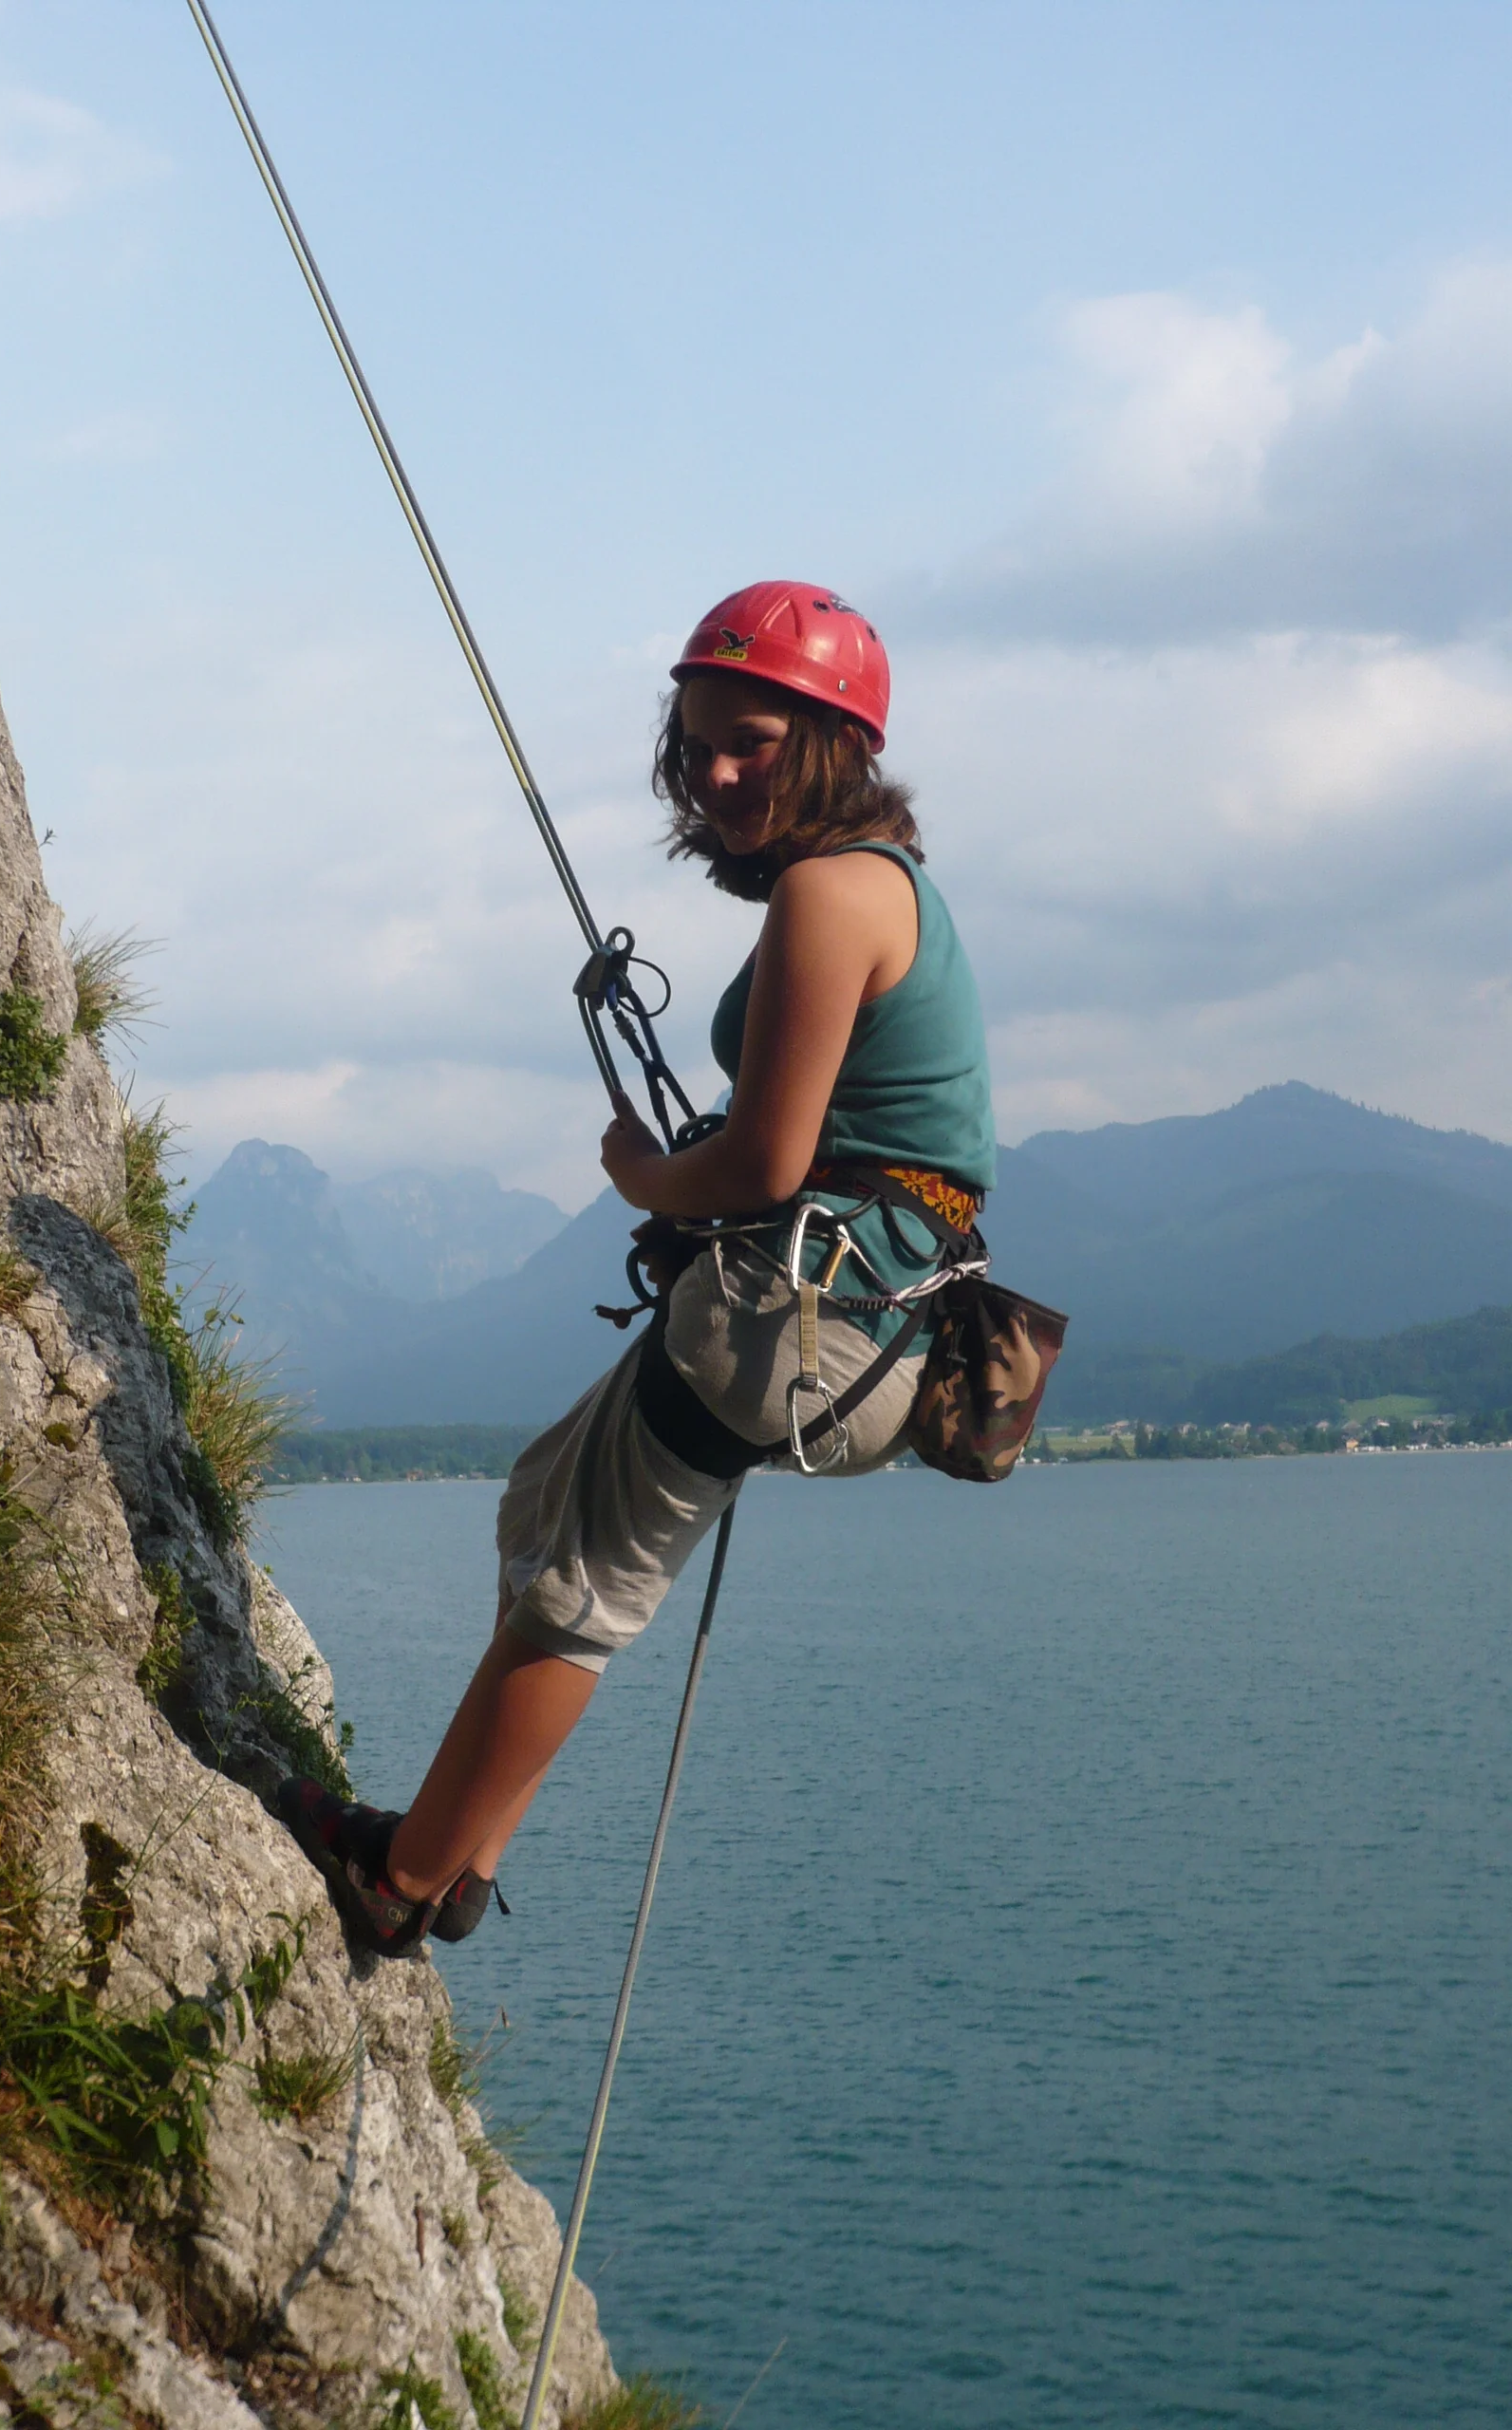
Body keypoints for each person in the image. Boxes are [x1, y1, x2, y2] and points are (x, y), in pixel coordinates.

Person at [279, 581, 996, 1957]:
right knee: (552, 1500)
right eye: (698, 749)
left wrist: (644, 1179)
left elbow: (764, 1166)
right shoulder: (879, 891)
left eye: (755, 744)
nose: (719, 776)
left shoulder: (831, 899)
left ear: (836, 742)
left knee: (581, 1589)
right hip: (851, 1315)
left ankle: (403, 1878)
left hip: (813, 1311)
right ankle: (468, 1850)